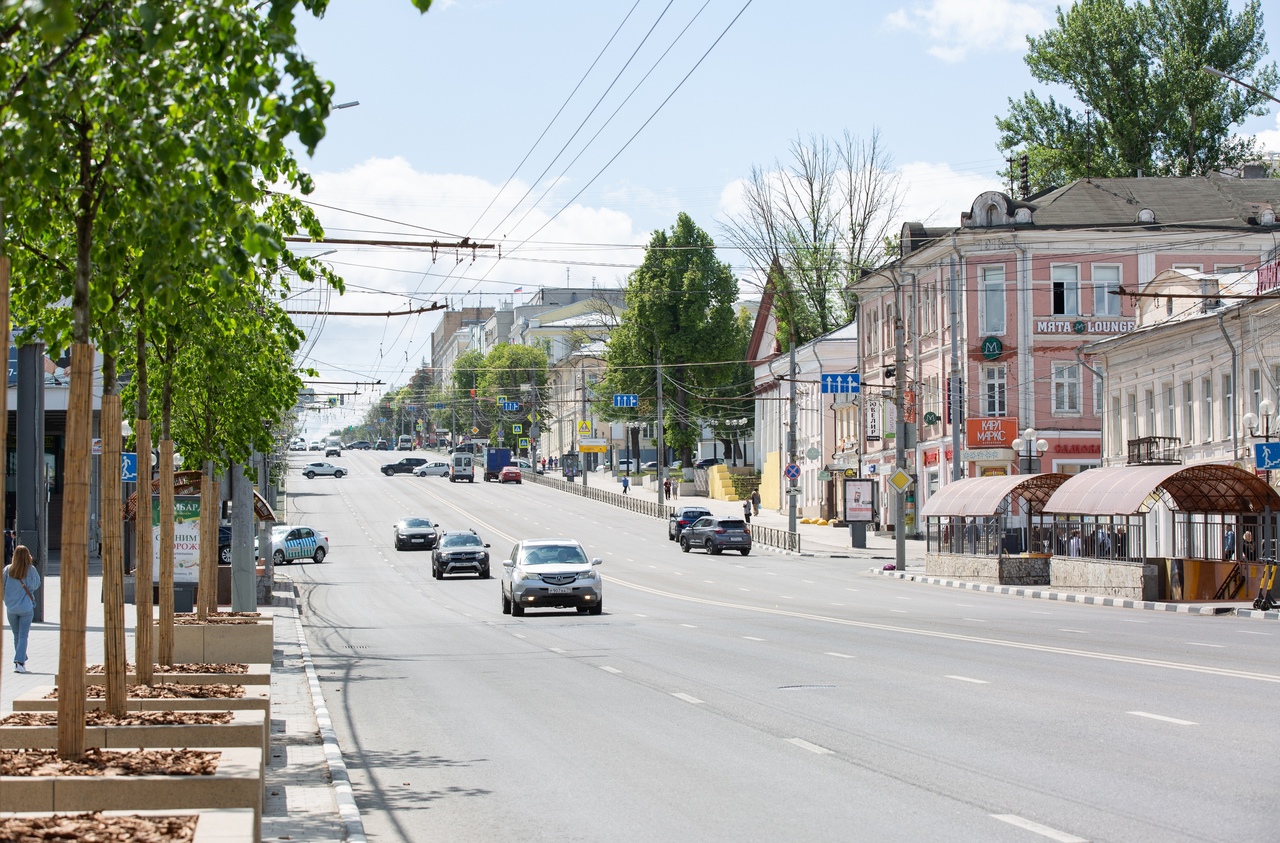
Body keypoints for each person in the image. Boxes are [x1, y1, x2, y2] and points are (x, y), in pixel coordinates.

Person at [4, 545, 39, 673]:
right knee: (23, 635)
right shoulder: (31, 570)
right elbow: (36, 585)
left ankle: (20, 658)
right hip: (26, 608)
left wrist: (7, 599)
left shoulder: (8, 569)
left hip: (11, 608)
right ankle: (20, 661)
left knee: (16, 635)